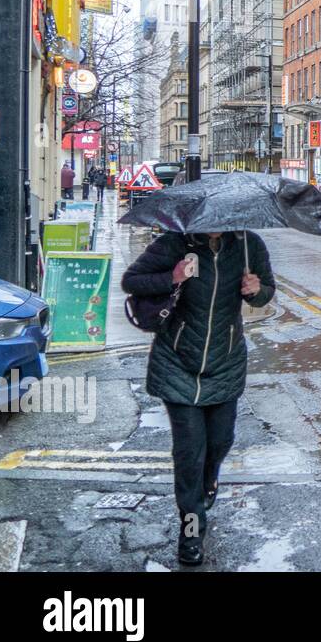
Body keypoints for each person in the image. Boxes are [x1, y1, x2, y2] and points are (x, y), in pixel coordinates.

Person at [121, 230, 275, 566]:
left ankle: (209, 479)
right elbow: (131, 281)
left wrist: (256, 291)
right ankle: (191, 529)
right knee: (190, 450)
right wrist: (173, 276)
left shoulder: (248, 245)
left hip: (226, 361)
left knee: (220, 441)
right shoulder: (173, 244)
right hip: (177, 362)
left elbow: (266, 293)